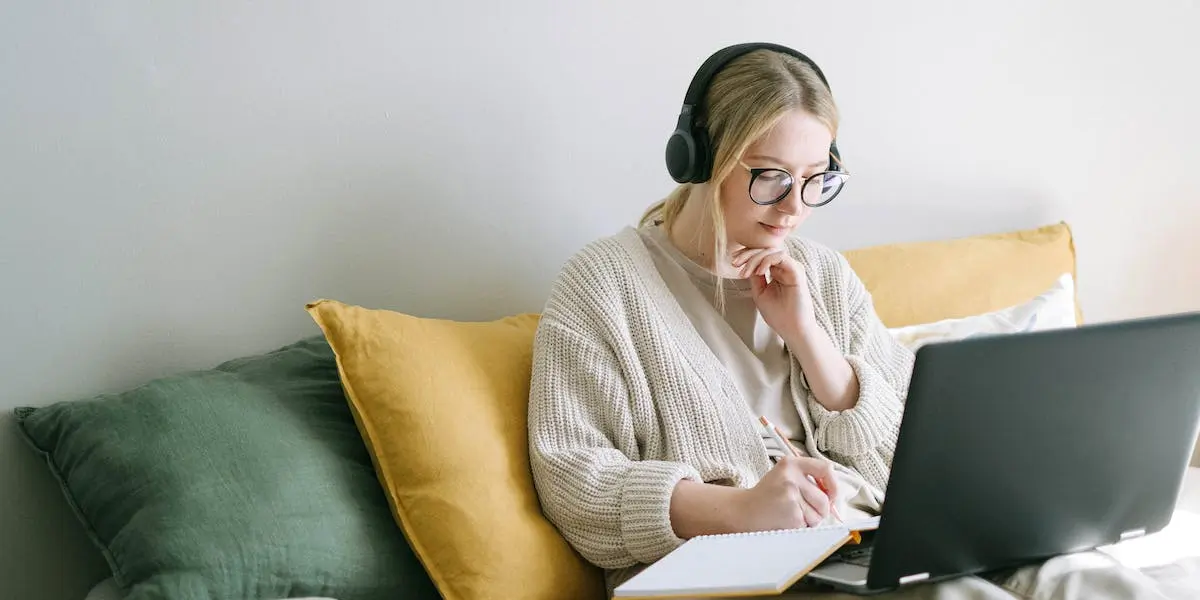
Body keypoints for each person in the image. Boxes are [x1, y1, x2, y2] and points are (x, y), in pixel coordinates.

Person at [526, 42, 914, 592]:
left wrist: (809, 339)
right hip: (731, 574)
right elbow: (573, 481)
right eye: (772, 176)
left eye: (815, 178)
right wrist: (739, 510)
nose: (794, 207)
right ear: (702, 159)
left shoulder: (823, 273)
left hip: (869, 545)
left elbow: (914, 451)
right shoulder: (603, 285)